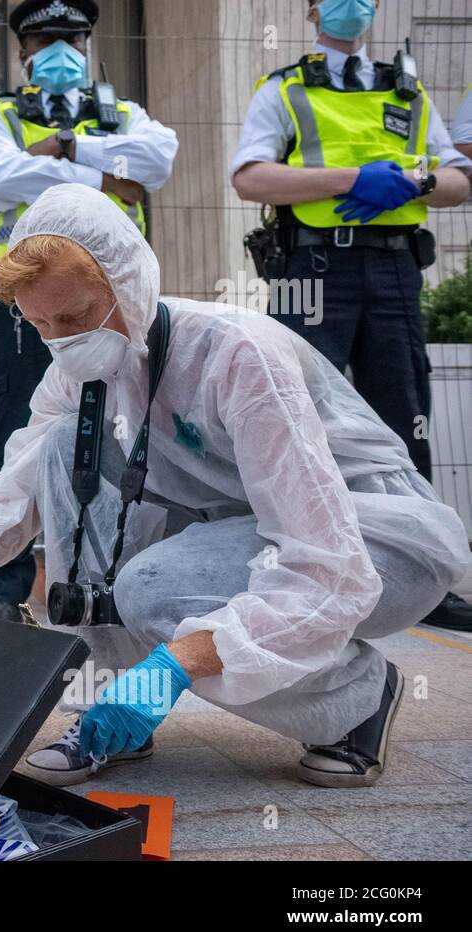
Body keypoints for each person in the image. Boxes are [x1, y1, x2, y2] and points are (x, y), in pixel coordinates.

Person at [0, 184, 469, 789]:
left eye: (74, 316)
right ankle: (106, 697)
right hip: (240, 528)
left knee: (152, 591)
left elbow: (324, 561)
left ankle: (355, 697)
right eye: (42, 323)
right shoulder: (79, 372)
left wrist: (177, 664)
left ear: (128, 283)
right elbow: (16, 493)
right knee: (63, 440)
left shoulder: (234, 355)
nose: (61, 340)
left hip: (374, 537)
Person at [232, 0, 472, 632]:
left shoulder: (409, 89)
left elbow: (458, 180)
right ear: (312, 11)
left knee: (404, 417)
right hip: (308, 269)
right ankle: (288, 565)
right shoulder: (284, 89)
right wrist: (350, 179)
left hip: (394, 269)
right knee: (288, 412)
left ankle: (423, 582)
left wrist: (413, 181)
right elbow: (252, 179)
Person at [0, 0, 176, 622]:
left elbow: (158, 161)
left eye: (73, 37)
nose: (61, 48)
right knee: (16, 427)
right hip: (25, 300)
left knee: (126, 426)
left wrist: (62, 147)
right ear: (24, 52)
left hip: (113, 299)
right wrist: (109, 175)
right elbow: (0, 182)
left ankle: (112, 578)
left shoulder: (125, 114)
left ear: (87, 44)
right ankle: (0, 595)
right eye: (46, 39)